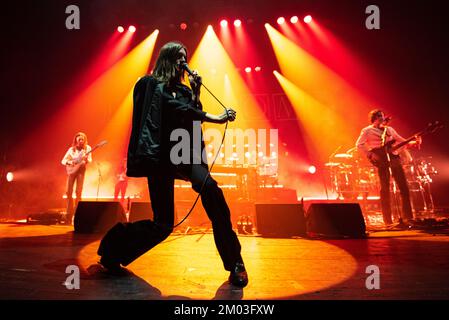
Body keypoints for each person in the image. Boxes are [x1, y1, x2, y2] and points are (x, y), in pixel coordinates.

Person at [97, 41, 248, 287]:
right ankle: (113, 252)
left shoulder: (185, 90)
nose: (184, 61)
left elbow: (191, 115)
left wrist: (196, 92)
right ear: (167, 58)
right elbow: (172, 107)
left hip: (184, 152)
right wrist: (215, 117)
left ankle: (235, 263)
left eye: (185, 56)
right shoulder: (150, 84)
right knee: (163, 224)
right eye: (179, 56)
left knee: (211, 191)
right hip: (160, 156)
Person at [355, 109, 418, 226]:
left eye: (382, 116)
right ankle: (387, 220)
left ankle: (408, 217)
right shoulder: (367, 130)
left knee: (404, 187)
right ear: (374, 119)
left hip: (394, 159)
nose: (382, 118)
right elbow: (359, 144)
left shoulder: (389, 130)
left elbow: (402, 141)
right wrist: (371, 154)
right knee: (385, 190)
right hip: (381, 160)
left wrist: (413, 143)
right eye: (379, 116)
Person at [61, 132, 92, 224]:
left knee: (78, 192)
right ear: (76, 140)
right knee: (69, 192)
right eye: (79, 139)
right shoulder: (71, 150)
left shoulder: (88, 148)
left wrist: (86, 159)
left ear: (84, 140)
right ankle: (68, 216)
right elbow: (63, 161)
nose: (81, 141)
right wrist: (71, 163)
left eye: (82, 139)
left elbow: (90, 159)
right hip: (71, 172)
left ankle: (78, 215)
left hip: (81, 171)